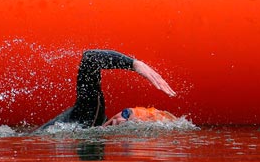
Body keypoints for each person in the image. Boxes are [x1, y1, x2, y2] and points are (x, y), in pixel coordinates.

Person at [37, 50, 176, 130]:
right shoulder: (90, 114)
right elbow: (89, 58)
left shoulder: (100, 135)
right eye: (126, 113)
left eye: (129, 123)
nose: (121, 120)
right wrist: (134, 64)